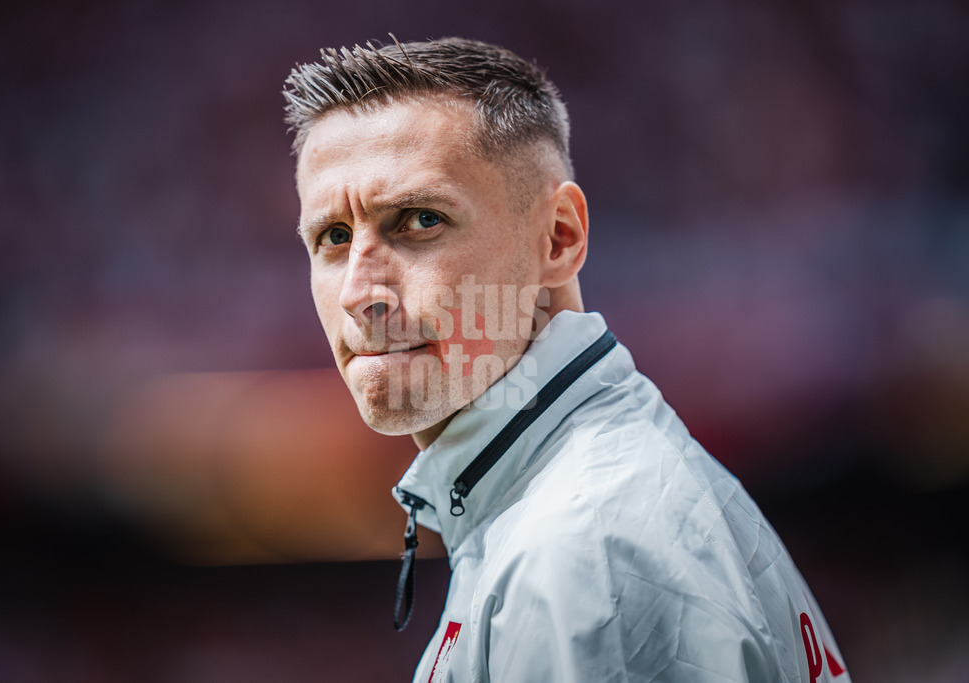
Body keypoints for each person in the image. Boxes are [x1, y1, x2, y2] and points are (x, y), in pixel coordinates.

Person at [283, 36, 850, 682]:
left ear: (559, 237)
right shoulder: (579, 500)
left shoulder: (586, 552)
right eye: (332, 236)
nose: (359, 292)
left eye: (418, 220)